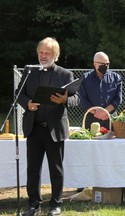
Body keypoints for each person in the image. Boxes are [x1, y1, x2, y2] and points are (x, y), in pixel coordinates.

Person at [16, 37, 80, 216]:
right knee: (33, 170)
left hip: (54, 129)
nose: (43, 56)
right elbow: (18, 94)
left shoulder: (64, 74)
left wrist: (65, 99)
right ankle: (33, 205)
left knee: (56, 169)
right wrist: (27, 103)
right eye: (41, 52)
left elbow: (77, 98)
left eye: (47, 53)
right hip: (34, 128)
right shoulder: (30, 72)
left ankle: (55, 205)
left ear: (55, 55)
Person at [79, 51, 123, 131]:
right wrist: (96, 113)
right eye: (102, 64)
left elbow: (118, 99)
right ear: (95, 64)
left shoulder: (116, 78)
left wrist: (105, 111)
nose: (105, 66)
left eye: (107, 64)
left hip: (111, 118)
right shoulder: (85, 78)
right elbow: (83, 99)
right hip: (92, 119)